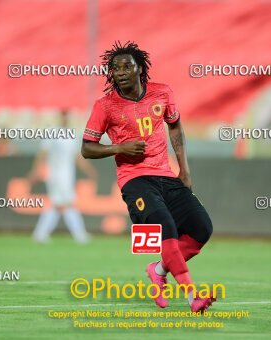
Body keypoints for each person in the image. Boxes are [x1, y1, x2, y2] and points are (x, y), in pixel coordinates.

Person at [81, 41, 215, 312]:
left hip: (165, 175)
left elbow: (175, 127)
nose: (120, 72)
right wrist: (119, 147)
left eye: (126, 66)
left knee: (202, 228)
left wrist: (184, 169)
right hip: (135, 180)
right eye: (114, 68)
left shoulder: (162, 93)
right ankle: (192, 296)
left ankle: (157, 269)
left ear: (139, 68)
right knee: (166, 228)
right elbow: (86, 148)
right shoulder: (105, 106)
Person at [29, 111, 97, 244]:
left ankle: (40, 234)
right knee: (65, 204)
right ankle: (79, 235)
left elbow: (77, 156)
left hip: (67, 176)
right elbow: (43, 153)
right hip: (55, 175)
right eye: (63, 116)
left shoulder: (71, 135)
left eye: (67, 116)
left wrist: (89, 170)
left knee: (59, 204)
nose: (66, 119)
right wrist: (36, 170)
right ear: (59, 118)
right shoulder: (53, 133)